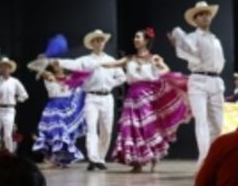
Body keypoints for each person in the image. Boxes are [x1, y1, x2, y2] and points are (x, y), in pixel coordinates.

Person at [112, 28, 191, 172]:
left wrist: (160, 63)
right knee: (132, 127)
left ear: (146, 40)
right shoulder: (129, 59)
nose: (135, 40)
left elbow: (166, 71)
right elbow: (112, 64)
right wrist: (95, 64)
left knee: (148, 127)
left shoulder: (153, 58)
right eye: (135, 37)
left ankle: (153, 155)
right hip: (132, 97)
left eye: (138, 37)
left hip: (147, 97)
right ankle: (137, 163)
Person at [52, 29, 126, 171]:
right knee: (91, 129)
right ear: (91, 44)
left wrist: (111, 84)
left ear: (104, 42)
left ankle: (100, 158)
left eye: (101, 40)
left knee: (107, 130)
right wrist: (59, 62)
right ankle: (93, 158)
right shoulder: (85, 60)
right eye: (96, 40)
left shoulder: (111, 60)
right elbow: (73, 63)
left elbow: (122, 77)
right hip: (91, 97)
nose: (99, 42)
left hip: (107, 97)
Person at [168, 1, 226, 164]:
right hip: (199, 80)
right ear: (195, 19)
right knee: (201, 121)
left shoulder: (215, 39)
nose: (205, 16)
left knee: (218, 124)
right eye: (201, 14)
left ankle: (213, 159)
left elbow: (219, 61)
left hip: (215, 80)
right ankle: (204, 160)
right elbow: (187, 51)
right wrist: (179, 44)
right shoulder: (192, 37)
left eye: (207, 13)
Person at [31, 61, 86, 167]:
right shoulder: (48, 75)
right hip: (53, 105)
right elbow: (33, 66)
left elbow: (83, 73)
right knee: (55, 132)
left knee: (65, 133)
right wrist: (44, 61)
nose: (57, 67)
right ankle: (53, 157)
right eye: (55, 65)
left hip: (67, 106)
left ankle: (63, 158)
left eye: (59, 64)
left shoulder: (70, 78)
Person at [0, 57, 28, 153]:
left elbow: (24, 95)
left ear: (10, 69)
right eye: (2, 67)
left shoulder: (14, 81)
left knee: (7, 135)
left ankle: (10, 156)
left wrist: (17, 100)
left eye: (6, 67)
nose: (4, 69)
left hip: (9, 110)